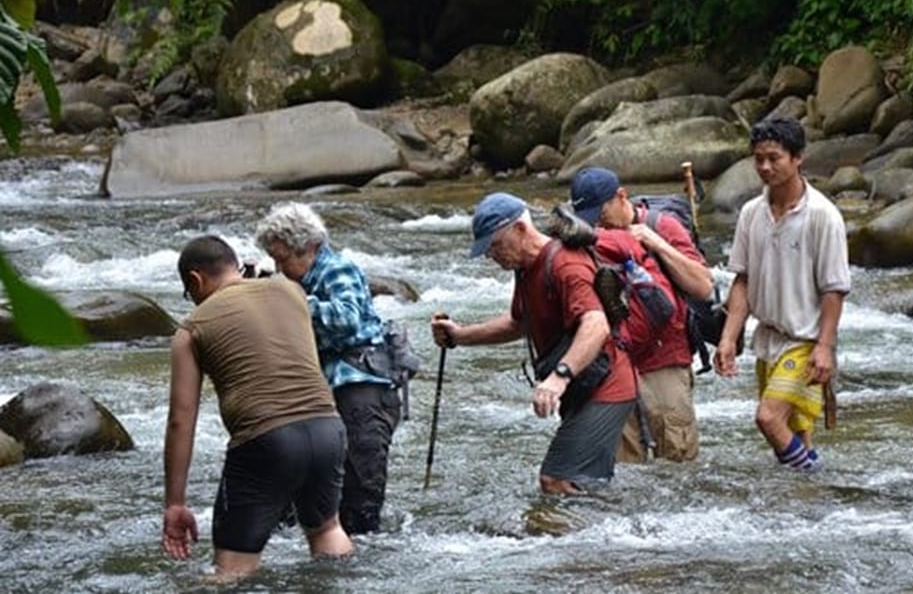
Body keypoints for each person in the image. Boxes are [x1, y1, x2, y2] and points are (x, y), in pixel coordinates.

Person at [163, 235, 352, 579]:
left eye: (189, 294)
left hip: (265, 440)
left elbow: (181, 420)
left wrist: (175, 503)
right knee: (327, 531)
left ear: (195, 280)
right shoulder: (291, 291)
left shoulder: (192, 329)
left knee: (232, 571)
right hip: (328, 428)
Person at [429, 192, 637, 494]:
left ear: (520, 229)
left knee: (556, 480)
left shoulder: (566, 265)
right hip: (585, 385)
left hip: (607, 387)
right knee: (587, 482)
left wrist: (559, 377)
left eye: (494, 245)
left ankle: (611, 537)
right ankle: (604, 533)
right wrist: (460, 336)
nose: (491, 255)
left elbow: (596, 324)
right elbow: (519, 322)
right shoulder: (525, 269)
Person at [714, 116, 851, 471]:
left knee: (768, 419)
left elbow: (834, 289)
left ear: (797, 158)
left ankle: (813, 477)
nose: (764, 167)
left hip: (804, 341)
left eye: (774, 158)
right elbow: (741, 280)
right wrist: (729, 338)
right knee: (795, 433)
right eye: (758, 158)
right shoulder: (751, 213)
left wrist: (825, 346)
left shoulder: (823, 216)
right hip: (768, 339)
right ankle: (805, 497)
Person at [255, 202, 398, 535]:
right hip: (329, 388)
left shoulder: (337, 269)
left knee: (361, 488)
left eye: (282, 259)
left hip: (363, 387)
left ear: (308, 247)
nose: (279, 267)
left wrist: (289, 299)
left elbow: (346, 318)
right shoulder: (300, 276)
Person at [569, 166, 713, 463]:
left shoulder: (664, 226)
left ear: (622, 197)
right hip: (615, 363)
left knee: (677, 460)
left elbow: (702, 286)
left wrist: (655, 243)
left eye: (602, 214)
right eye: (590, 219)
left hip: (665, 360)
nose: (599, 224)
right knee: (623, 466)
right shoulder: (589, 238)